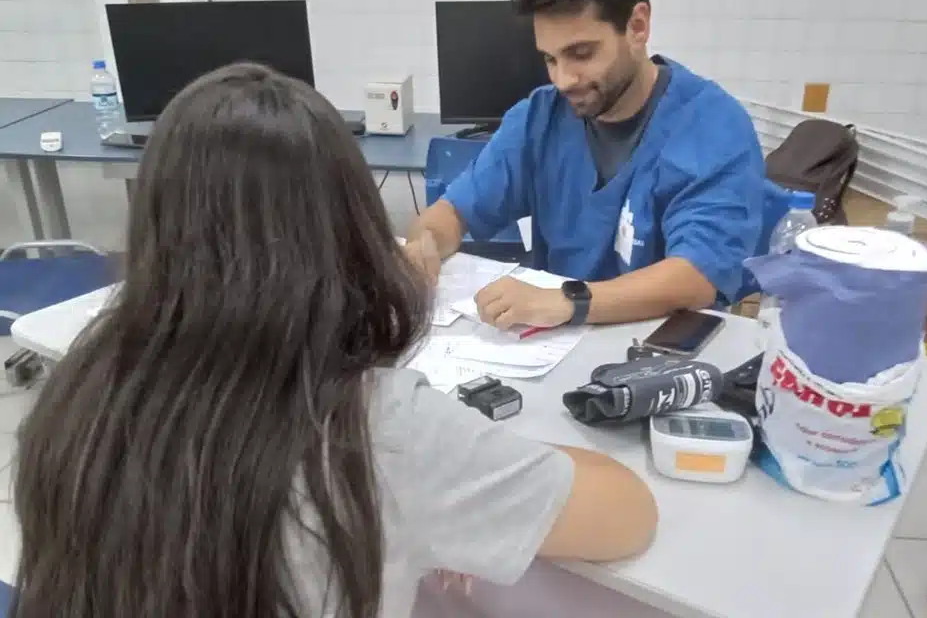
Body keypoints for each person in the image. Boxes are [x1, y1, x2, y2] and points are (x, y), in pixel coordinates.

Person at [11, 63, 657, 618]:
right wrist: (459, 472)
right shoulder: (378, 426)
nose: (564, 76)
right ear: (346, 228)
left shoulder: (77, 395)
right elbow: (627, 513)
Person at [406, 0, 765, 332]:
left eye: (581, 54)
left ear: (638, 26)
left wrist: (567, 302)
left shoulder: (712, 128)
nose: (563, 80)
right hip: (551, 354)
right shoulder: (539, 119)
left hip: (657, 363)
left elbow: (696, 277)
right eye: (549, 58)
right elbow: (453, 210)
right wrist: (426, 245)